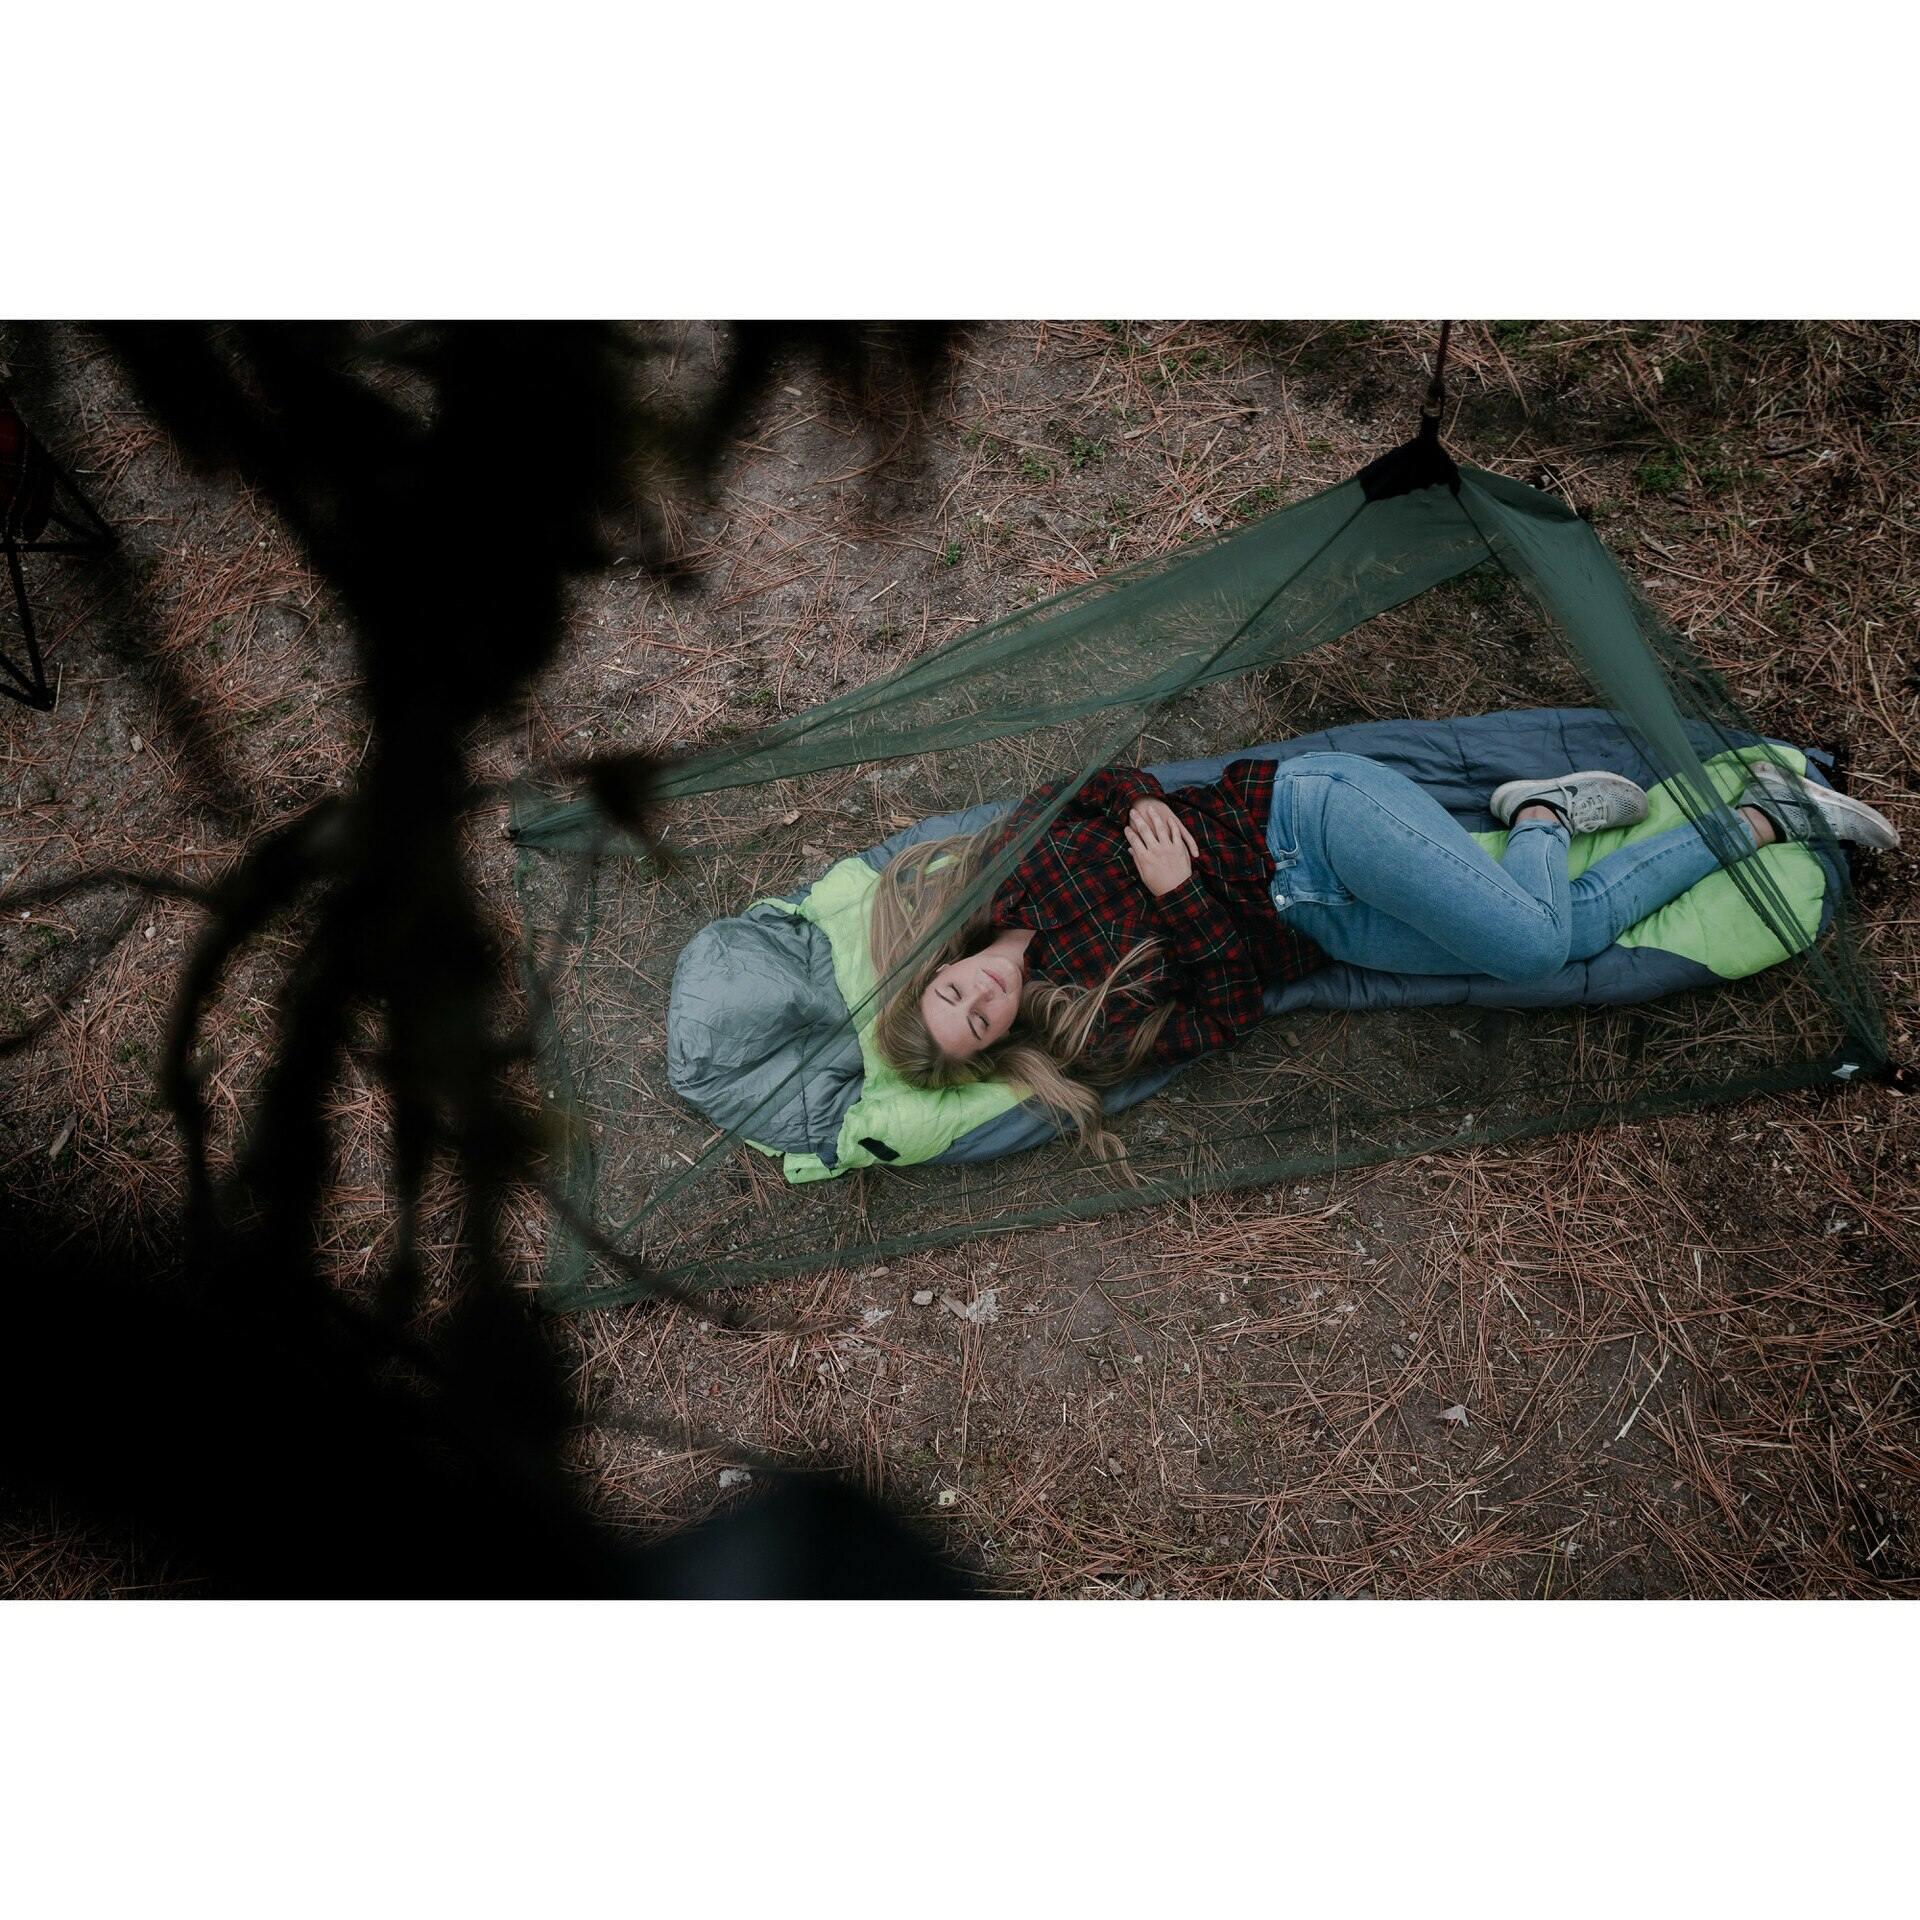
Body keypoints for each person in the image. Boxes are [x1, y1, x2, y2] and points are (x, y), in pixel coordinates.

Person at [867, 751, 1900, 1158]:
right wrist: (1178, 902)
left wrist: (1141, 800)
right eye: (980, 1025)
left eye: (958, 991)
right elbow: (1230, 1006)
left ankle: (1550, 815)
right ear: (997, 1045)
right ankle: (1750, 822)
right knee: (1565, 939)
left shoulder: (1007, 874)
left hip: (1306, 821)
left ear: (943, 967)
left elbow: (1093, 777)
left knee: (1535, 937)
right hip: (1316, 924)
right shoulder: (1086, 1027)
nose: (987, 997)